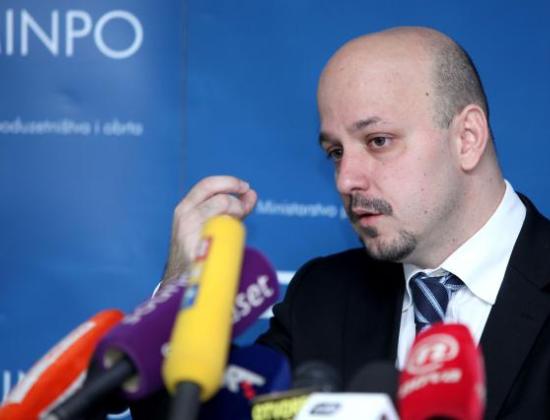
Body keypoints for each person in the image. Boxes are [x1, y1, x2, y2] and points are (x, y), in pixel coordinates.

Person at [135, 27, 550, 419]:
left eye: (378, 141)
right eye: (336, 152)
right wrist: (181, 293)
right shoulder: (323, 297)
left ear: (467, 138)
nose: (346, 179)